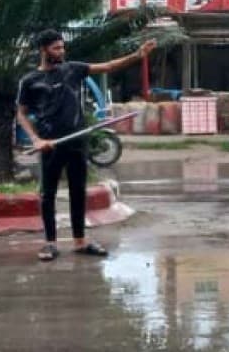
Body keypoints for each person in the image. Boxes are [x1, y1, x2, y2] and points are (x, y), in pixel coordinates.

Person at [17, 30, 157, 262]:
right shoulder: (30, 81)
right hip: (50, 144)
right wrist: (36, 140)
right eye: (56, 48)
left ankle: (80, 241)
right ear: (43, 50)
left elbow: (108, 66)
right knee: (48, 194)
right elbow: (21, 114)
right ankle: (50, 243)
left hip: (76, 140)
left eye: (62, 47)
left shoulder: (73, 69)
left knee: (78, 192)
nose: (61, 52)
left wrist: (137, 55)